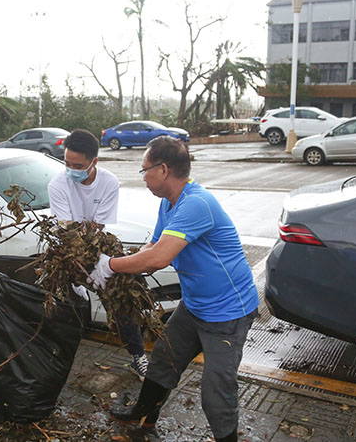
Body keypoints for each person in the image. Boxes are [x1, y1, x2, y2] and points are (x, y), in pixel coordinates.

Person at [89, 136, 258, 442]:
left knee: (216, 390)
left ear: (163, 169)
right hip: (194, 306)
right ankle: (143, 415)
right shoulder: (169, 204)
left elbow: (160, 257)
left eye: (145, 170)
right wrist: (124, 265)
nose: (143, 177)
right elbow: (153, 248)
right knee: (163, 360)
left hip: (227, 312)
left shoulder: (197, 203)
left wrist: (109, 264)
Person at [47, 128, 149, 377]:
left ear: (94, 161)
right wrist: (78, 269)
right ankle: (53, 353)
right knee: (56, 301)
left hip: (96, 247)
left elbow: (97, 227)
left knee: (120, 296)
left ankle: (138, 356)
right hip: (66, 249)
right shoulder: (58, 184)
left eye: (77, 165)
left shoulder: (108, 182)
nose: (71, 169)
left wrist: (96, 266)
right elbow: (67, 229)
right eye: (66, 163)